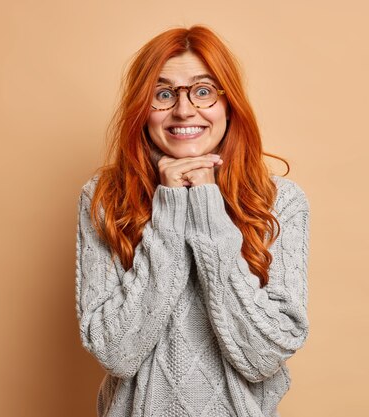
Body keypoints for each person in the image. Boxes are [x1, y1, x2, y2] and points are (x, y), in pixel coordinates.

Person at [75, 25, 310, 417]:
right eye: (163, 94)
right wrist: (169, 210)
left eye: (203, 91)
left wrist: (205, 206)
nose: (184, 110)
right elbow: (116, 352)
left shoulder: (279, 201)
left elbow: (264, 356)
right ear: (141, 109)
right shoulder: (104, 197)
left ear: (229, 104)